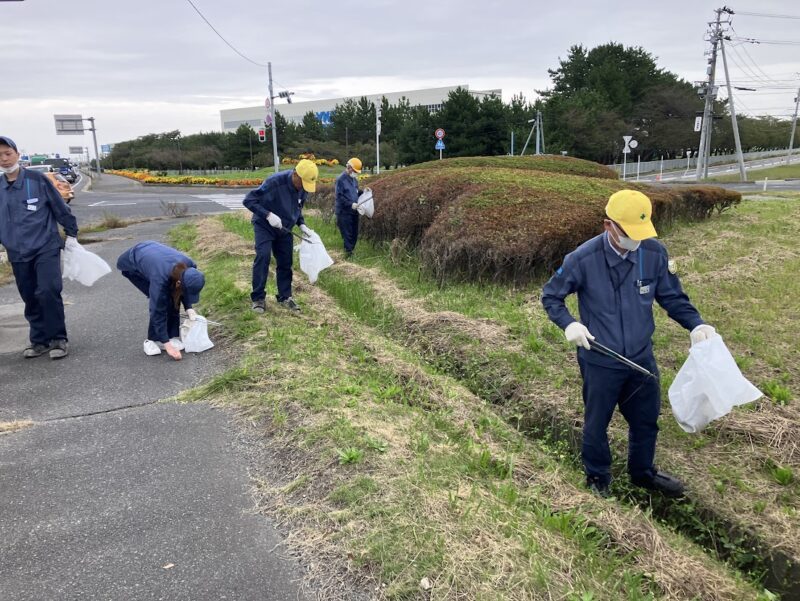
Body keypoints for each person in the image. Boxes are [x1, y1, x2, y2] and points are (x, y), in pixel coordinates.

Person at [541, 189, 717, 498]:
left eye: (641, 232)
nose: (635, 241)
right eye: (628, 233)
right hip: (601, 360)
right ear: (608, 225)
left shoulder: (653, 254)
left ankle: (643, 473)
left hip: (640, 358)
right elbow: (551, 296)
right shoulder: (583, 259)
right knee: (597, 423)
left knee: (646, 420)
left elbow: (673, 297)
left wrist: (696, 324)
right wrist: (570, 324)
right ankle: (597, 477)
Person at [0, 136, 78, 359]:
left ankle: (57, 339)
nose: (4, 159)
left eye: (8, 153)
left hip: (45, 246)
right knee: (30, 296)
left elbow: (59, 207)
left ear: (17, 154)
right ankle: (39, 340)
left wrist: (71, 233)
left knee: (48, 290)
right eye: (0, 156)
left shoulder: (37, 180)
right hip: (17, 252)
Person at [243, 158, 318, 313]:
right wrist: (268, 215)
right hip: (265, 225)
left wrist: (301, 224)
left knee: (285, 261)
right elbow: (249, 200)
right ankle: (258, 298)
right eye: (302, 183)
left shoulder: (302, 188)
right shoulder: (275, 182)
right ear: (296, 175)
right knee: (263, 256)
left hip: (285, 228)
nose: (303, 188)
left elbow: (297, 208)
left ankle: (285, 297)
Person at [116, 241, 205, 361]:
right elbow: (157, 309)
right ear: (178, 282)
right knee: (163, 300)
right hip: (132, 265)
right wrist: (168, 347)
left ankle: (171, 335)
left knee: (173, 296)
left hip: (153, 254)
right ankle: (152, 341)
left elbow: (183, 289)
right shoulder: (160, 279)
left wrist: (189, 308)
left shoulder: (191, 267)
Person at [335, 157, 363, 258]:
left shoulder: (354, 180)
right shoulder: (340, 180)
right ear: (349, 167)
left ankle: (351, 250)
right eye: (355, 171)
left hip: (354, 210)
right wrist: (350, 204)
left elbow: (355, 193)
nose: (356, 173)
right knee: (347, 233)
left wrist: (363, 192)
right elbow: (339, 196)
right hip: (344, 211)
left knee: (354, 232)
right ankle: (348, 253)